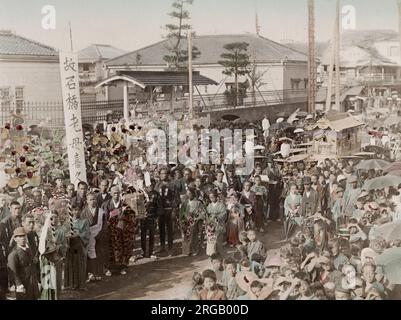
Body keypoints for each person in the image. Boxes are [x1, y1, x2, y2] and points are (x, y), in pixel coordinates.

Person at [38, 210, 67, 300]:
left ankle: (56, 297)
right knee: (47, 279)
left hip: (57, 258)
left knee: (56, 279)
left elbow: (64, 244)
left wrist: (59, 246)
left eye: (55, 217)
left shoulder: (61, 231)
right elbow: (41, 245)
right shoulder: (44, 231)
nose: (53, 220)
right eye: (51, 218)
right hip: (46, 259)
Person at [7, 227, 40, 300]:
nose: (23, 238)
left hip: (32, 283)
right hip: (23, 285)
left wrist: (34, 261)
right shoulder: (13, 254)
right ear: (15, 239)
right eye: (20, 236)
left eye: (24, 236)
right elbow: (13, 272)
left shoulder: (28, 249)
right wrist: (19, 284)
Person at [64, 206, 90, 290]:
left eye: (77, 210)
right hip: (70, 246)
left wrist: (78, 234)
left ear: (80, 211)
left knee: (80, 264)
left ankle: (81, 284)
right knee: (72, 264)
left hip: (79, 246)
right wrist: (67, 235)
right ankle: (72, 284)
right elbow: (64, 233)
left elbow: (87, 233)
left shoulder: (84, 222)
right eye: (74, 210)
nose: (75, 212)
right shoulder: (67, 222)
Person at [86, 192, 109, 282]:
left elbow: (104, 224)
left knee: (99, 253)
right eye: (90, 199)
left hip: (99, 235)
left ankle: (98, 273)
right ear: (87, 201)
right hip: (88, 236)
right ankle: (90, 273)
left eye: (94, 199)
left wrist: (100, 233)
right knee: (89, 254)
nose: (92, 201)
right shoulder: (84, 212)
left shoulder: (100, 212)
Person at [179, 188, 205, 256]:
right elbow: (182, 212)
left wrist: (197, 218)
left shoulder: (198, 202)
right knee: (186, 235)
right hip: (186, 221)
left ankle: (194, 250)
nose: (188, 195)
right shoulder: (185, 203)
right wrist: (184, 218)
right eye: (188, 193)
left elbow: (202, 212)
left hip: (194, 221)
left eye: (190, 193)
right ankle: (187, 251)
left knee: (194, 235)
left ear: (193, 194)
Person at [140, 179, 162, 259]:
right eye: (149, 185)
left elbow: (159, 206)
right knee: (143, 234)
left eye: (152, 185)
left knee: (152, 235)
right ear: (144, 186)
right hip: (143, 217)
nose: (150, 187)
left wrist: (157, 216)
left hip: (152, 216)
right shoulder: (141, 194)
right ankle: (143, 251)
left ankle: (151, 251)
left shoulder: (156, 194)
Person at [156, 168, 175, 255]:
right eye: (162, 173)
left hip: (169, 210)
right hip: (160, 210)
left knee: (170, 229)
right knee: (161, 229)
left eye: (165, 173)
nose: (163, 175)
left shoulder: (172, 185)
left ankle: (170, 247)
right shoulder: (157, 185)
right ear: (159, 175)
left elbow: (176, 198)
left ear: (168, 175)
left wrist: (174, 208)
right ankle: (162, 246)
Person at [205, 191, 227, 256]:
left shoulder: (221, 205)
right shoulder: (209, 205)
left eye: (213, 197)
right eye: (210, 197)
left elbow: (224, 214)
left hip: (218, 224)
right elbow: (207, 214)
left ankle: (219, 253)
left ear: (216, 197)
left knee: (218, 240)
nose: (211, 198)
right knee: (211, 240)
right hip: (211, 225)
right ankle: (212, 252)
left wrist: (217, 217)